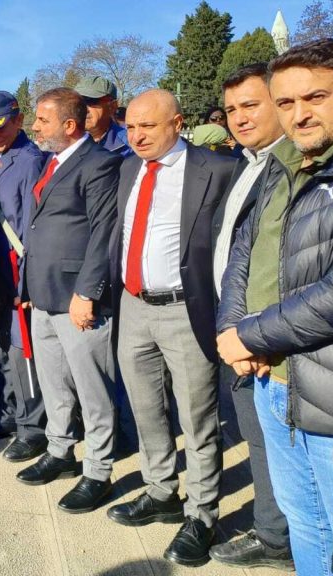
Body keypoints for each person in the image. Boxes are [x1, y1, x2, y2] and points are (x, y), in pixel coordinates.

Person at [217, 39, 333, 576]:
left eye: (314, 97)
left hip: (330, 391)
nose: (299, 114)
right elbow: (242, 252)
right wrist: (233, 329)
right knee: (306, 521)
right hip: (276, 380)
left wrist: (254, 336)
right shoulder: (283, 164)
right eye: (287, 102)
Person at [108, 89, 236, 567]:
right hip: (133, 305)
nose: (137, 135)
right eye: (132, 126)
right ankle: (160, 491)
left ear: (177, 124)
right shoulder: (127, 168)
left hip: (187, 309)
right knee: (145, 409)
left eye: (149, 126)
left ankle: (201, 514)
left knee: (198, 416)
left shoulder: (216, 170)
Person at [16, 87, 120, 515]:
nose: (34, 126)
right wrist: (26, 289)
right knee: (54, 382)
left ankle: (97, 470)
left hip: (77, 299)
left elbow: (103, 232)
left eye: (42, 119)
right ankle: (60, 451)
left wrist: (87, 292)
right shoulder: (52, 162)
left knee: (92, 389)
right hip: (43, 294)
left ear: (69, 125)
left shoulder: (98, 164)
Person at [207, 63, 293, 570]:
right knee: (259, 440)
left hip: (269, 339)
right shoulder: (247, 164)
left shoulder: (290, 167)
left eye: (251, 105)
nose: (240, 118)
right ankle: (274, 529)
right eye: (232, 108)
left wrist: (256, 331)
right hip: (236, 330)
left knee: (274, 444)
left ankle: (278, 538)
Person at [0, 91, 47, 453]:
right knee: (0, 350)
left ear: (18, 120)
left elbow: (32, 227)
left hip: (19, 274)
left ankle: (33, 430)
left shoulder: (30, 161)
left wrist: (29, 285)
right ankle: (7, 415)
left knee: (23, 352)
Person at [75, 75, 130, 155]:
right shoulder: (64, 143)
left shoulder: (131, 145)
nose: (84, 109)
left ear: (113, 106)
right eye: (78, 102)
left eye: (91, 101)